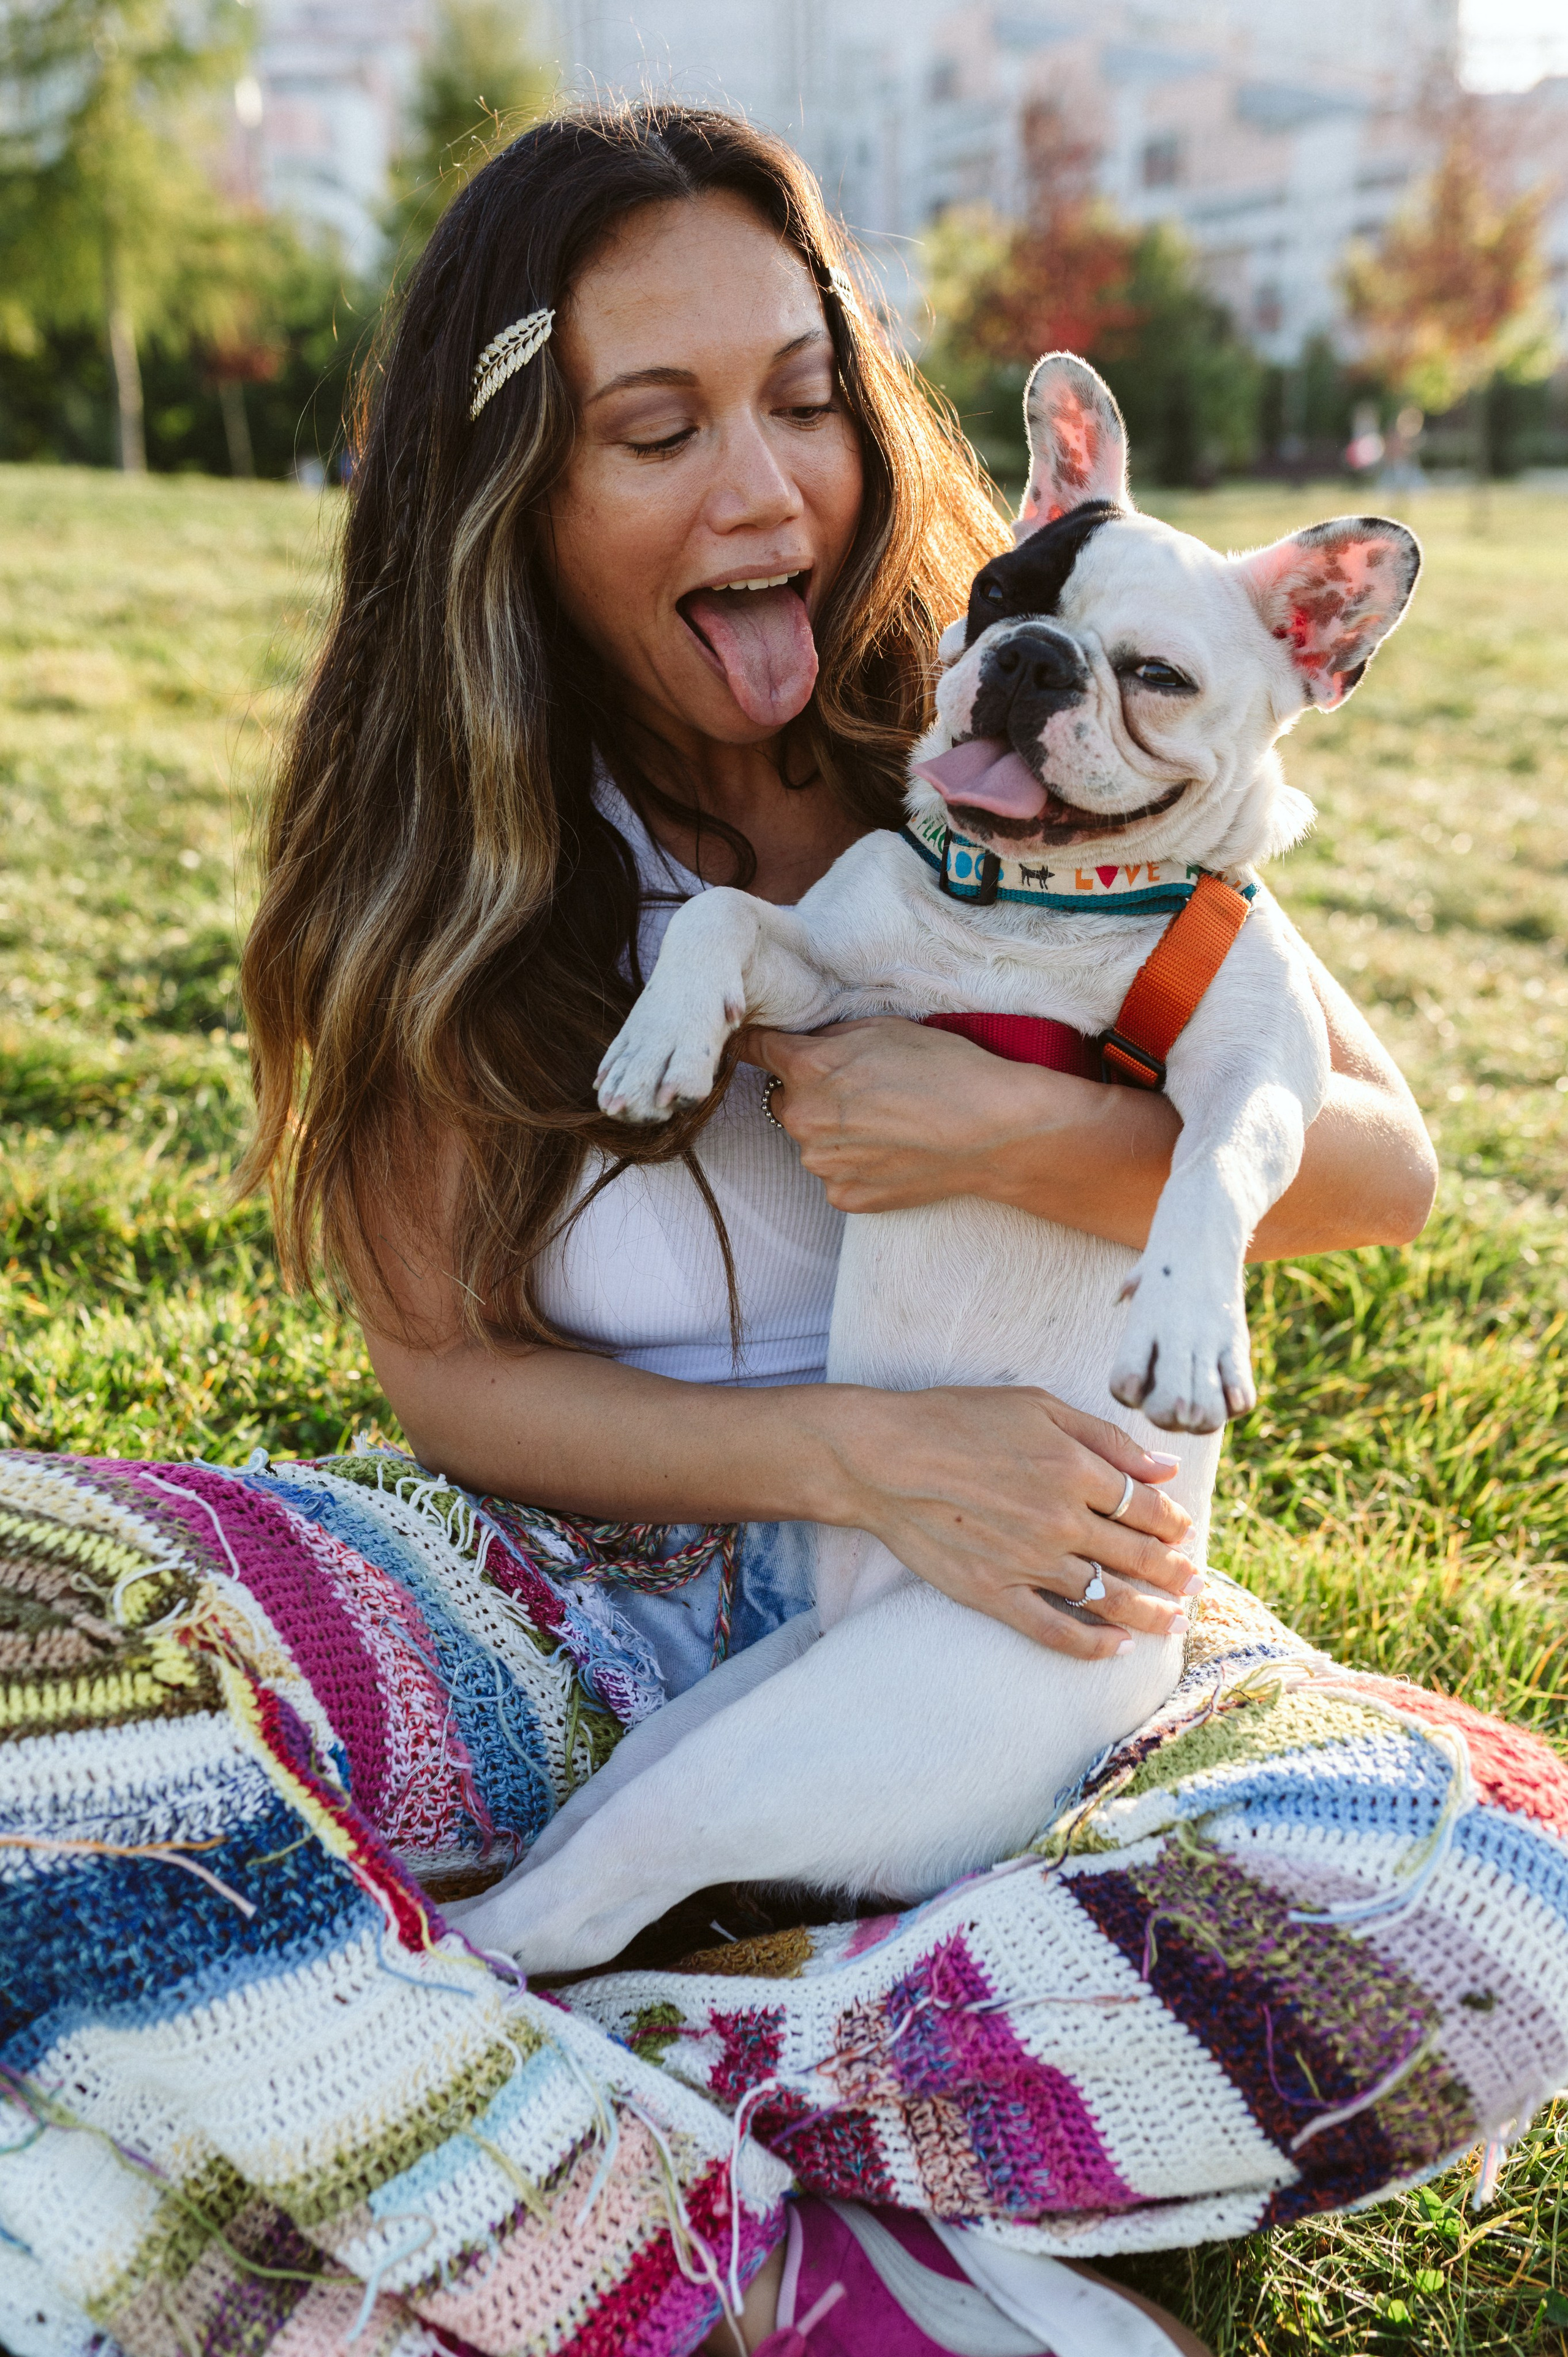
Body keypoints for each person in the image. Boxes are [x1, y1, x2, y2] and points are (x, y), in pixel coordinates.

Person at [6, 104, 1562, 2357]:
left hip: (1030, 1581)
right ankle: (772, 2220)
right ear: (514, 497)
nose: (770, 494)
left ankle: (389, 2118)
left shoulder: (1013, 713)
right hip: (578, 1600)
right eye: (659, 429)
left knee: (1476, 1887)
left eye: (808, 398)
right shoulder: (433, 850)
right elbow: (446, 1375)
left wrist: (1015, 1145)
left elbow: (1382, 1161)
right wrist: (849, 1455)